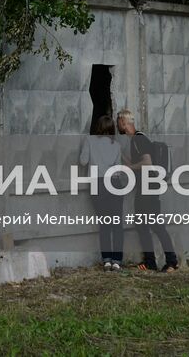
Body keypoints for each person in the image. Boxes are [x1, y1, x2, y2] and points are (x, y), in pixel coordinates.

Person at [117, 109, 179, 273]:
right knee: (142, 224)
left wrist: (130, 167)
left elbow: (147, 163)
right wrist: (122, 156)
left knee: (156, 225)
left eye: (119, 122)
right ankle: (150, 262)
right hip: (144, 188)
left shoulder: (139, 139)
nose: (118, 125)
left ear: (124, 122)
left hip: (148, 188)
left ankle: (172, 262)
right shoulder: (136, 140)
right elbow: (138, 162)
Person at [79, 115, 126, 269]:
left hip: (98, 183)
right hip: (114, 183)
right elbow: (118, 169)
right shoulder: (116, 145)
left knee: (105, 223)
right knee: (117, 224)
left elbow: (83, 161)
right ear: (112, 128)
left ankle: (106, 260)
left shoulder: (89, 140)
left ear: (98, 127)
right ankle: (117, 261)